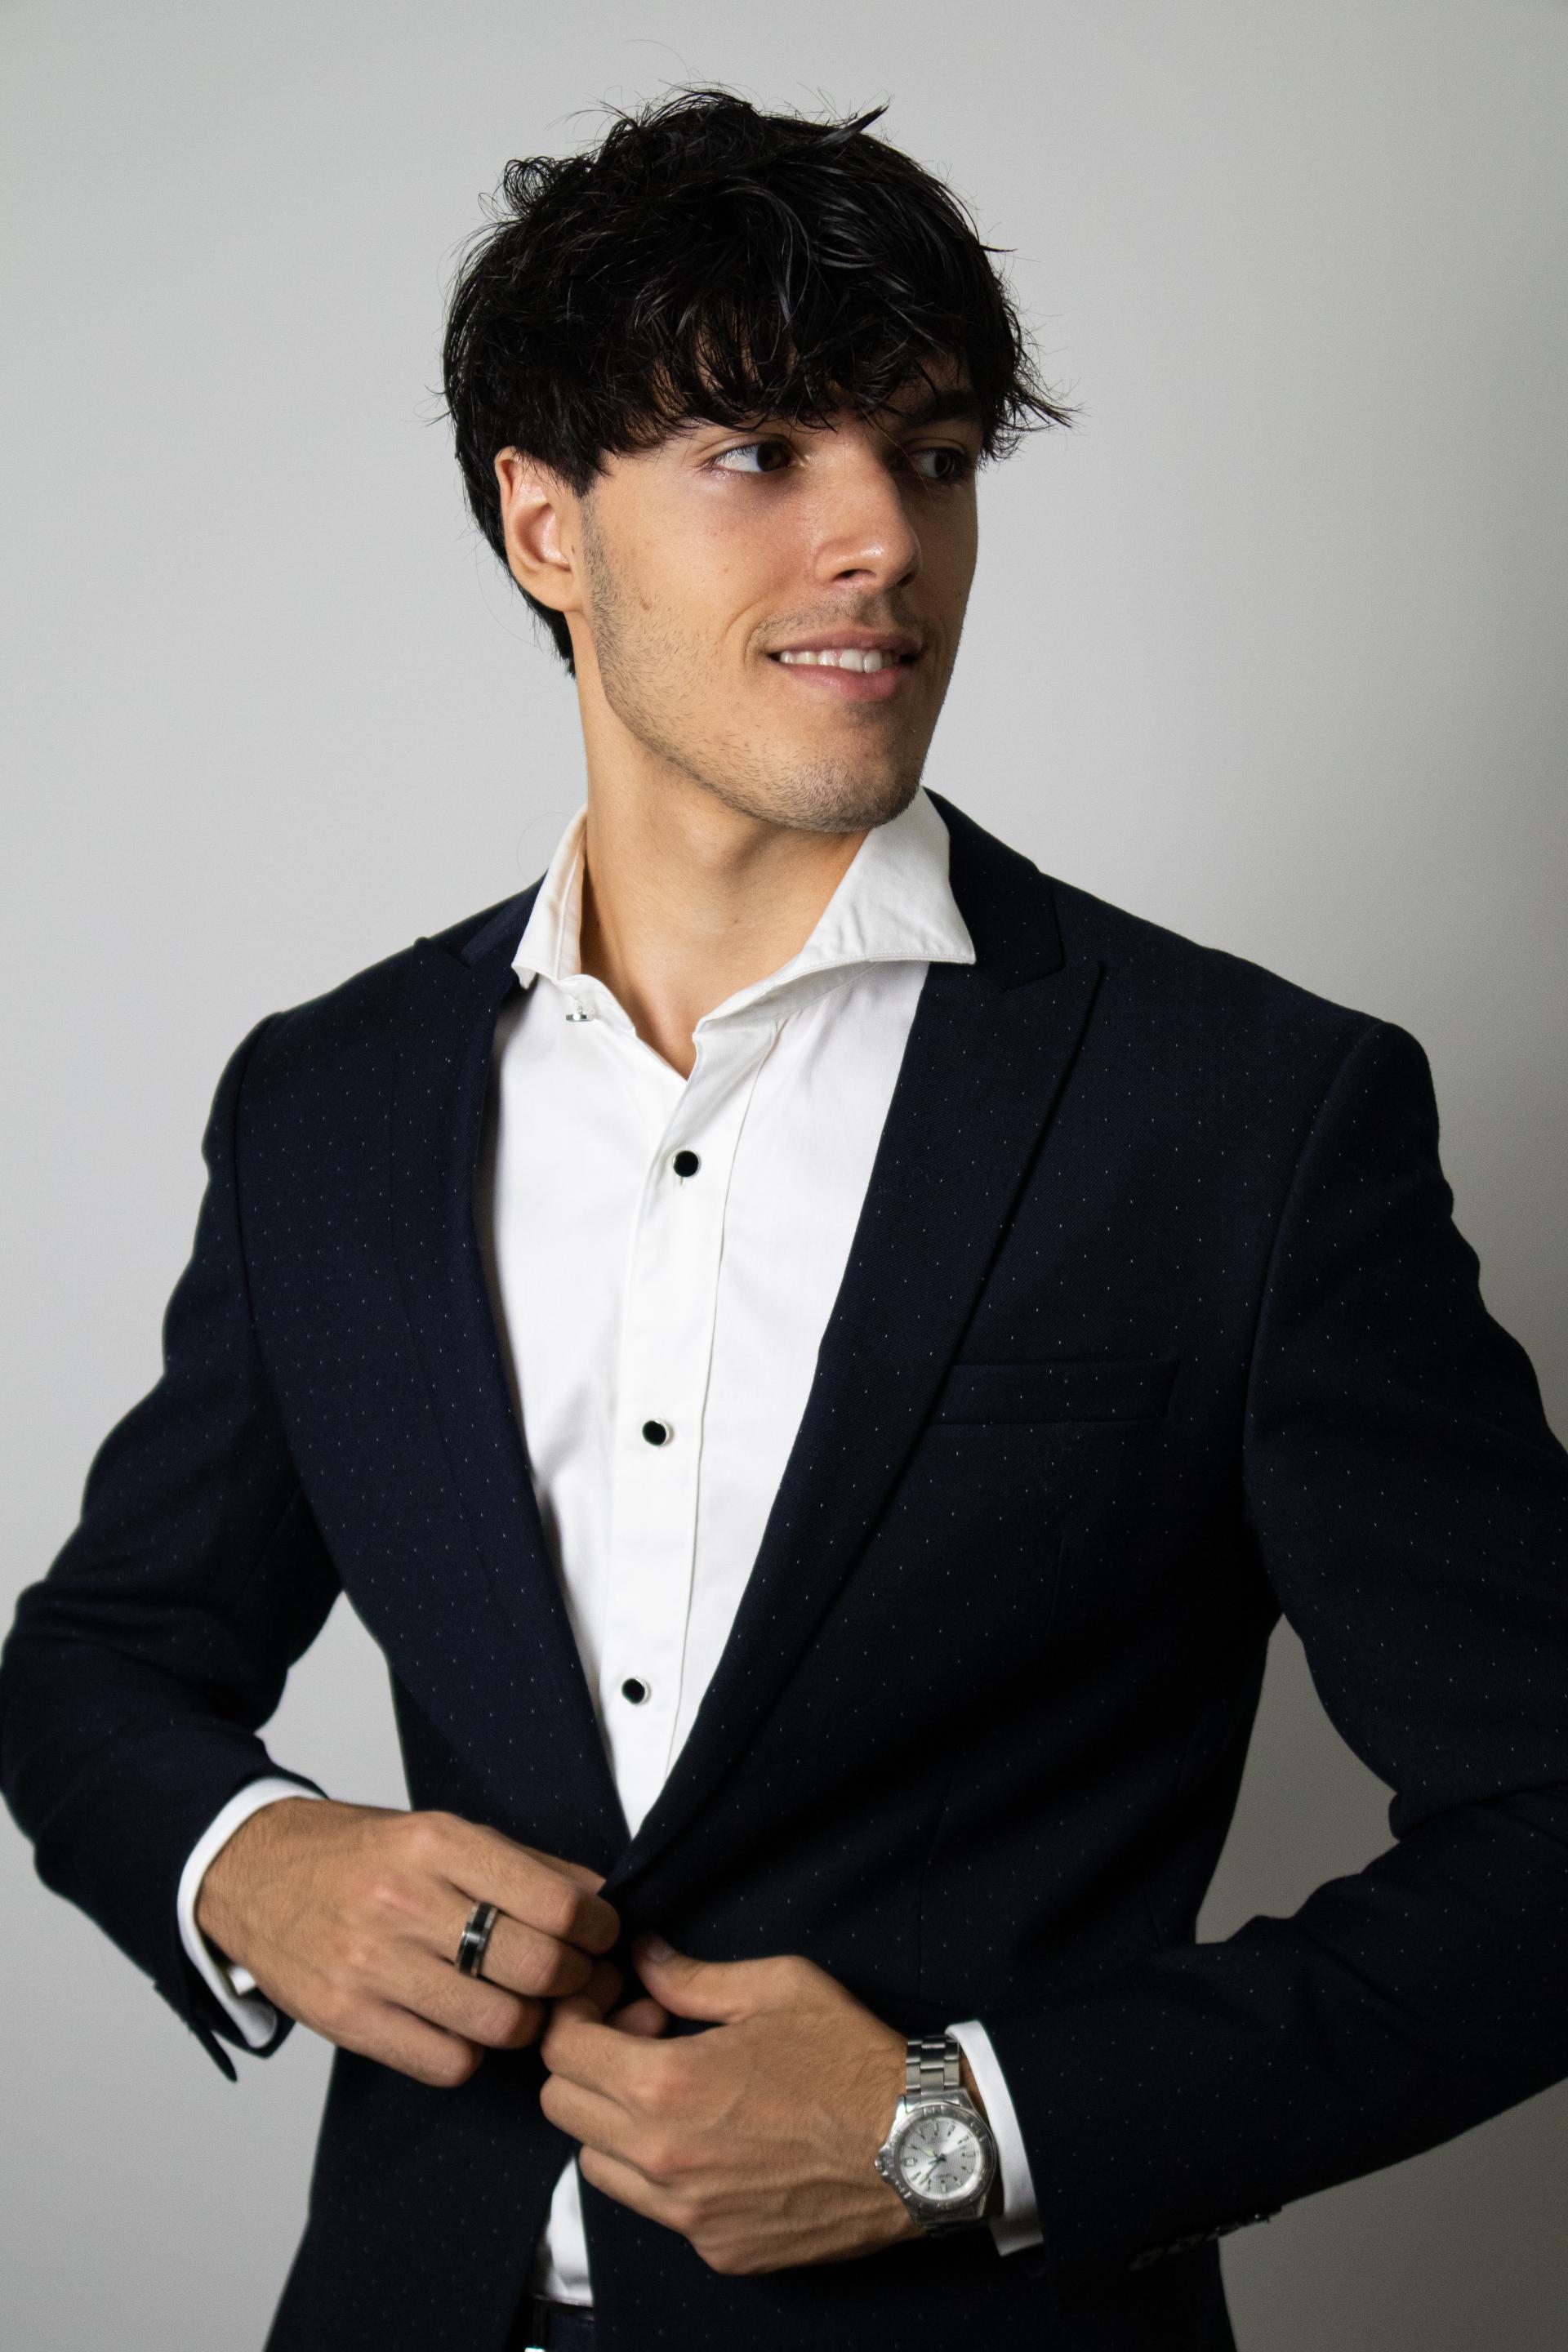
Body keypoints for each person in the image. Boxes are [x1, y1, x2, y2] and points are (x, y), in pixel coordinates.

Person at [2, 87, 1566, 2352]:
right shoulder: (328, 1107)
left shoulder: (1246, 1113)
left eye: (931, 456)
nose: (883, 543)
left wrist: (971, 2128)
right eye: (761, 453)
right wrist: (256, 1861)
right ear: (545, 522)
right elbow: (100, 1662)